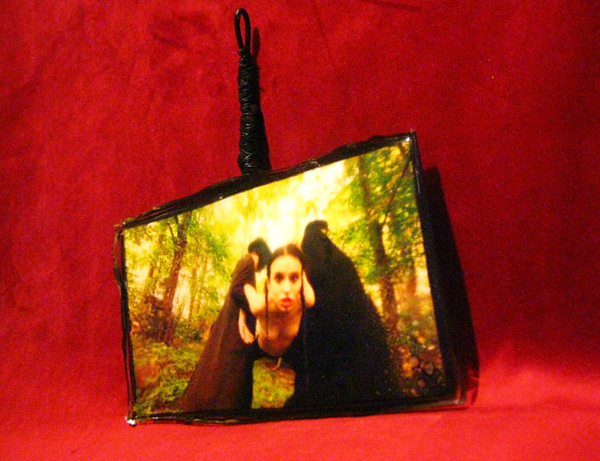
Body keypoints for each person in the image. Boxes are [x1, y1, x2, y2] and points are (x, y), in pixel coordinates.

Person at [178, 237, 271, 412]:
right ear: (261, 253)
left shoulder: (245, 264)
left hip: (232, 330)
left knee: (224, 374)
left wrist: (244, 318)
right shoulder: (248, 261)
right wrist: (251, 313)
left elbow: (239, 292)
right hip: (234, 334)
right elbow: (237, 291)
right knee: (230, 380)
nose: (263, 267)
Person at [242, 244, 315, 358]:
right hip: (259, 349)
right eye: (278, 278)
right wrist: (241, 320)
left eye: (294, 278)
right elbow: (245, 287)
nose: (287, 289)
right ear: (268, 283)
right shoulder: (259, 305)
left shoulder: (307, 300)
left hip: (288, 353)